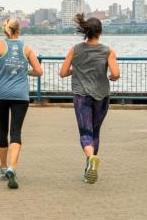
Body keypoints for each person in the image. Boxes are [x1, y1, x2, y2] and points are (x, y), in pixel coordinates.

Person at [0, 19, 43, 189]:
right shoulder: (26, 48)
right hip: (20, 95)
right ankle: (12, 167)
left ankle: (2, 167)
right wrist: (25, 71)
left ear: (5, 31)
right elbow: (39, 71)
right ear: (19, 31)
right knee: (16, 132)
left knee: (2, 129)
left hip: (0, 94)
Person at [59, 13, 120, 184]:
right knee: (95, 132)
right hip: (102, 96)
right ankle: (90, 166)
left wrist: (75, 70)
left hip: (82, 96)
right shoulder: (108, 51)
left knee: (85, 133)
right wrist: (112, 77)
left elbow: (63, 72)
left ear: (85, 32)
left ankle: (90, 160)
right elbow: (115, 74)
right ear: (100, 32)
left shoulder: (75, 49)